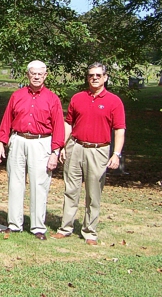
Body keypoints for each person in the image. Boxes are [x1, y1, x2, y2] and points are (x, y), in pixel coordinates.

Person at [52, 62, 125, 245]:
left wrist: (116, 154)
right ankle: (65, 228)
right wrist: (61, 146)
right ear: (87, 77)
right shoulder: (78, 98)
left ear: (105, 78)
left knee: (93, 193)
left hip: (98, 150)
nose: (94, 78)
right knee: (71, 190)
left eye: (98, 75)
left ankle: (89, 232)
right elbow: (69, 123)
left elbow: (119, 130)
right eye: (91, 75)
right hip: (75, 147)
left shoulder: (114, 101)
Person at [0, 60, 65, 240]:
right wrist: (0, 142)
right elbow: (6, 120)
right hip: (18, 140)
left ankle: (37, 227)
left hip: (41, 142)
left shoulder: (52, 98)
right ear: (28, 75)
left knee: (39, 185)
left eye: (39, 74)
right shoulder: (17, 96)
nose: (36, 76)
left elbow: (59, 127)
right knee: (15, 183)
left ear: (45, 75)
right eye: (33, 73)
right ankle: (14, 224)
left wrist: (55, 152)